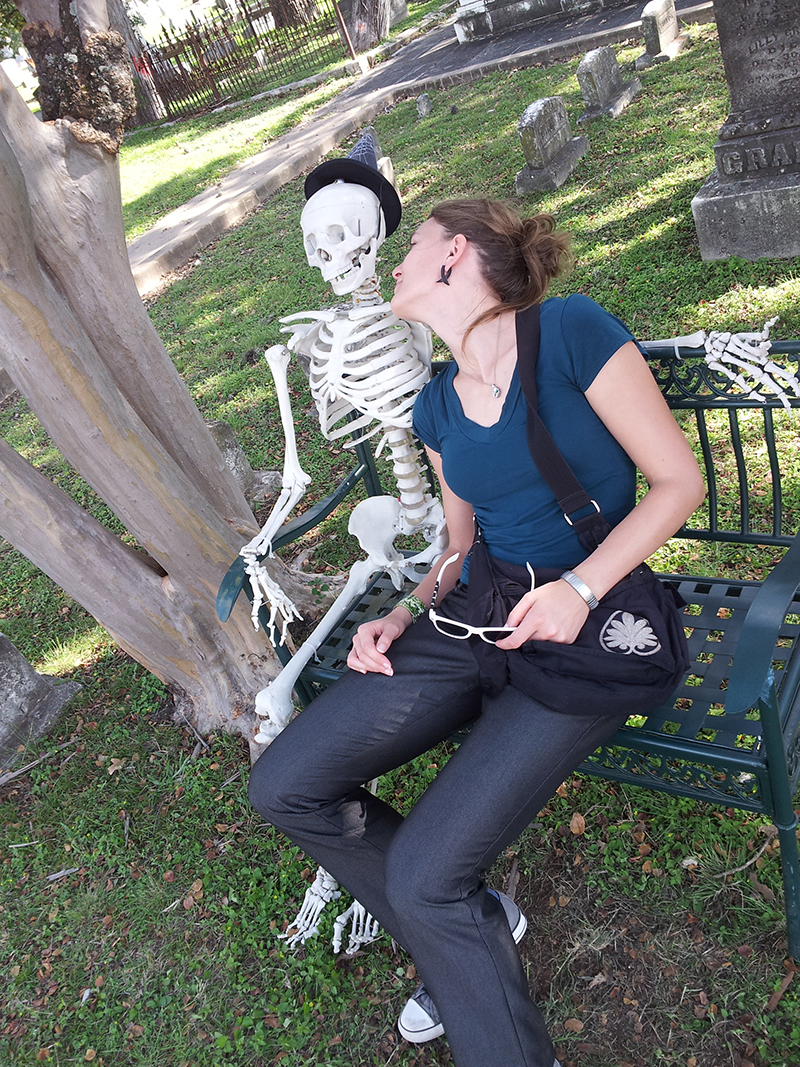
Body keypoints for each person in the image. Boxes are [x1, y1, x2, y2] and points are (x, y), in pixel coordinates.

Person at [248, 198, 705, 1067]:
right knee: (287, 783)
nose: (392, 263)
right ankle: (470, 928)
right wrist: (403, 609)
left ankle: (456, 944)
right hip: (476, 615)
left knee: (424, 877)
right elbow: (459, 546)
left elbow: (676, 483)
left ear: (456, 253)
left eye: (410, 247)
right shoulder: (437, 407)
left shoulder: (568, 331)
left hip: (590, 622)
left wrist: (579, 584)